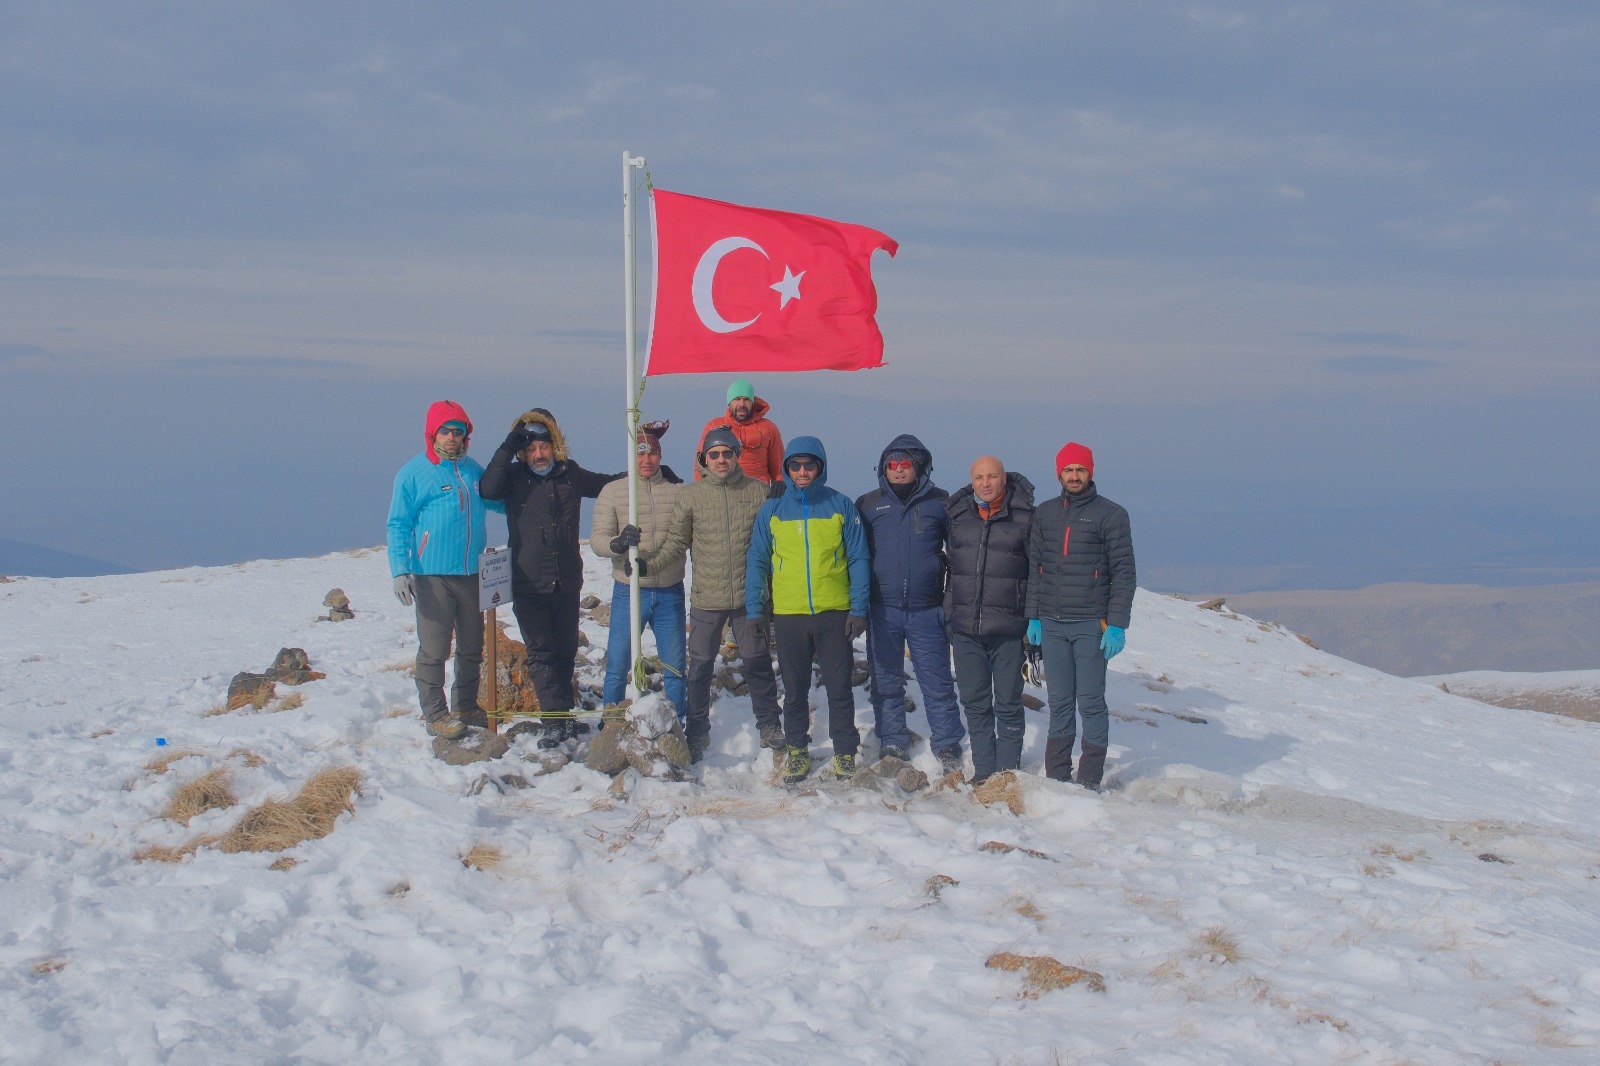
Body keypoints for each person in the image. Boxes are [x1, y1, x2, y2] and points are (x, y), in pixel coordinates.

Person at [480, 408, 624, 747]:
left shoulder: (569, 474)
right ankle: (554, 721)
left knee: (564, 650)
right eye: (530, 449)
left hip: (567, 581)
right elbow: (488, 490)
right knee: (541, 652)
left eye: (543, 447)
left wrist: (649, 472)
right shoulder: (513, 477)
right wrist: (506, 446)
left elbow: (607, 483)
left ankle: (565, 716)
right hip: (528, 581)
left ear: (555, 446)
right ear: (522, 452)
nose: (538, 454)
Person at [643, 426, 782, 761]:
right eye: (714, 454)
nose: (721, 459)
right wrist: (647, 565)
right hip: (707, 597)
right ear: (704, 458)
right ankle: (698, 729)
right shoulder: (691, 496)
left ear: (737, 455)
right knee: (701, 667)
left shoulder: (758, 492)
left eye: (727, 453)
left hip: (750, 599)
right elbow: (677, 543)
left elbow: (775, 542)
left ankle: (769, 725)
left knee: (758, 663)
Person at [746, 437, 870, 784]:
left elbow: (859, 557)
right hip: (789, 614)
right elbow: (757, 560)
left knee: (839, 686)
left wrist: (858, 608)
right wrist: (755, 609)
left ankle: (845, 751)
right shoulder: (772, 511)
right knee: (795, 687)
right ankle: (797, 749)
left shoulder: (840, 505)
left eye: (809, 465)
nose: (802, 472)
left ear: (820, 467)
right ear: (786, 468)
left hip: (834, 613)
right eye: (795, 465)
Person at [386, 401, 504, 740]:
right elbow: (398, 524)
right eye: (446, 430)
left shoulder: (473, 471)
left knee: (471, 646)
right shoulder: (414, 473)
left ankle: (465, 706)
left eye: (459, 430)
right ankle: (436, 714)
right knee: (435, 648)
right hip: (432, 575)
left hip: (471, 573)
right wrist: (400, 569)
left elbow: (497, 500)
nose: (452, 436)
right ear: (432, 433)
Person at [1025, 442, 1136, 789]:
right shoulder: (1044, 513)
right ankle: (1057, 776)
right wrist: (1034, 617)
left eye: (1081, 470)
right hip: (1053, 624)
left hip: (1091, 623)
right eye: (1068, 470)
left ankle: (1089, 778)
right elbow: (1035, 569)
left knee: (1089, 701)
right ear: (1059, 473)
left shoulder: (1110, 514)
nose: (1074, 476)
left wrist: (1116, 624)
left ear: (1091, 472)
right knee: (1058, 702)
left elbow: (1124, 572)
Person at [855, 434, 964, 775]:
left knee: (936, 681)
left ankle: (947, 743)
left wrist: (950, 602)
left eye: (906, 465)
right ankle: (892, 737)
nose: (899, 470)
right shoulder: (869, 504)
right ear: (883, 469)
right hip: (882, 609)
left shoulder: (940, 502)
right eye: (893, 464)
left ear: (919, 468)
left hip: (926, 609)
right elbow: (857, 556)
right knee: (886, 679)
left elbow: (960, 553)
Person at [944, 455, 1036, 785]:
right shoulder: (959, 517)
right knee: (974, 701)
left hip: (1009, 628)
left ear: (1003, 479)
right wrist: (950, 614)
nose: (985, 483)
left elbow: (1036, 572)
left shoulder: (1025, 518)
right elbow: (953, 572)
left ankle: (1007, 774)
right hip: (966, 627)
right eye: (979, 477)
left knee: (1008, 702)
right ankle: (984, 772)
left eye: (992, 476)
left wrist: (1031, 620)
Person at [589, 420, 686, 725]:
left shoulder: (678, 492)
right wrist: (617, 544)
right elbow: (597, 540)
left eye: (652, 453)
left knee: (674, 665)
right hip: (629, 590)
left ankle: (677, 723)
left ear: (661, 455)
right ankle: (612, 722)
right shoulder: (615, 492)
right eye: (640, 452)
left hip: (670, 588)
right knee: (618, 663)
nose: (646, 460)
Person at [697, 378, 783, 485]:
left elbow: (779, 467)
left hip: (759, 494)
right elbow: (700, 465)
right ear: (729, 402)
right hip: (723, 492)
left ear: (752, 402)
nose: (742, 404)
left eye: (746, 399)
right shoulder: (713, 426)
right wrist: (698, 491)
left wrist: (780, 483)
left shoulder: (768, 428)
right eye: (737, 399)